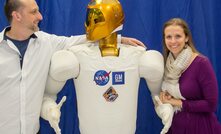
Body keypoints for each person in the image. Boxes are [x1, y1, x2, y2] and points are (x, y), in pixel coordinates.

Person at [0, 0, 145, 134]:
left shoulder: (46, 42)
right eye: (33, 12)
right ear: (17, 15)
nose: (40, 16)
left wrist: (117, 39)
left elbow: (77, 40)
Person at [40, 0, 172, 134]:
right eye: (89, 17)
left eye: (96, 18)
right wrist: (50, 110)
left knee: (152, 65)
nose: (89, 23)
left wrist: (164, 109)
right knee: (63, 65)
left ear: (113, 19)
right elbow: (48, 95)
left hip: (125, 130)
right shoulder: (77, 55)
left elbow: (158, 96)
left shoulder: (136, 55)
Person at [158, 18, 221, 134]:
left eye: (178, 36)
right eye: (169, 37)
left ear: (186, 38)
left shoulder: (201, 63)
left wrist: (177, 102)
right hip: (176, 126)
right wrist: (166, 97)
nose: (173, 41)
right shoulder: (167, 65)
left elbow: (211, 104)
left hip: (200, 127)